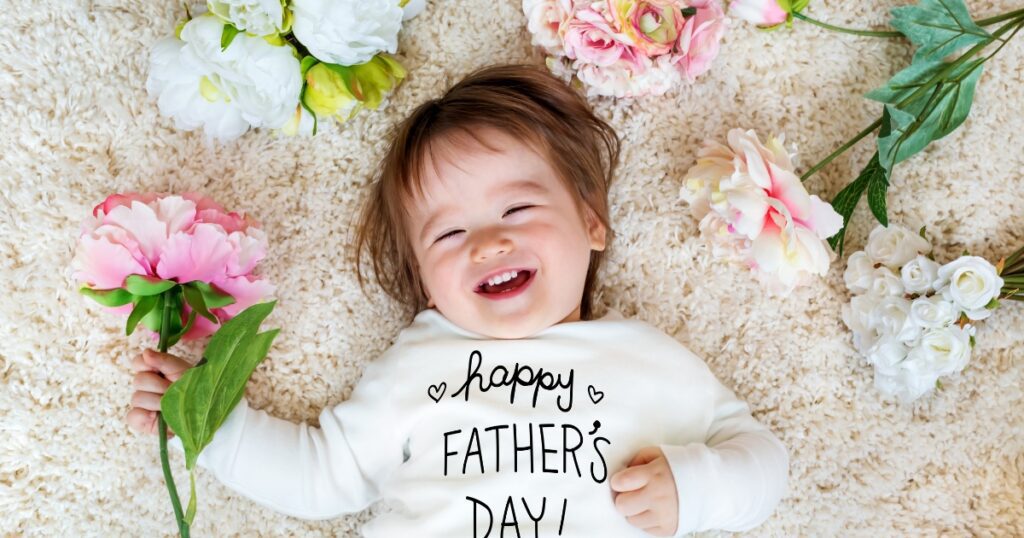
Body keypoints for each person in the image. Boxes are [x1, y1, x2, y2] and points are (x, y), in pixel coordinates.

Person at [127, 64, 789, 537]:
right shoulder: (415, 367)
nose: (489, 242)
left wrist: (695, 488)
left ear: (592, 223)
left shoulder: (648, 358)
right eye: (449, 232)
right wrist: (211, 424)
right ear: (421, 276)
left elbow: (761, 459)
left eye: (519, 207)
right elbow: (322, 476)